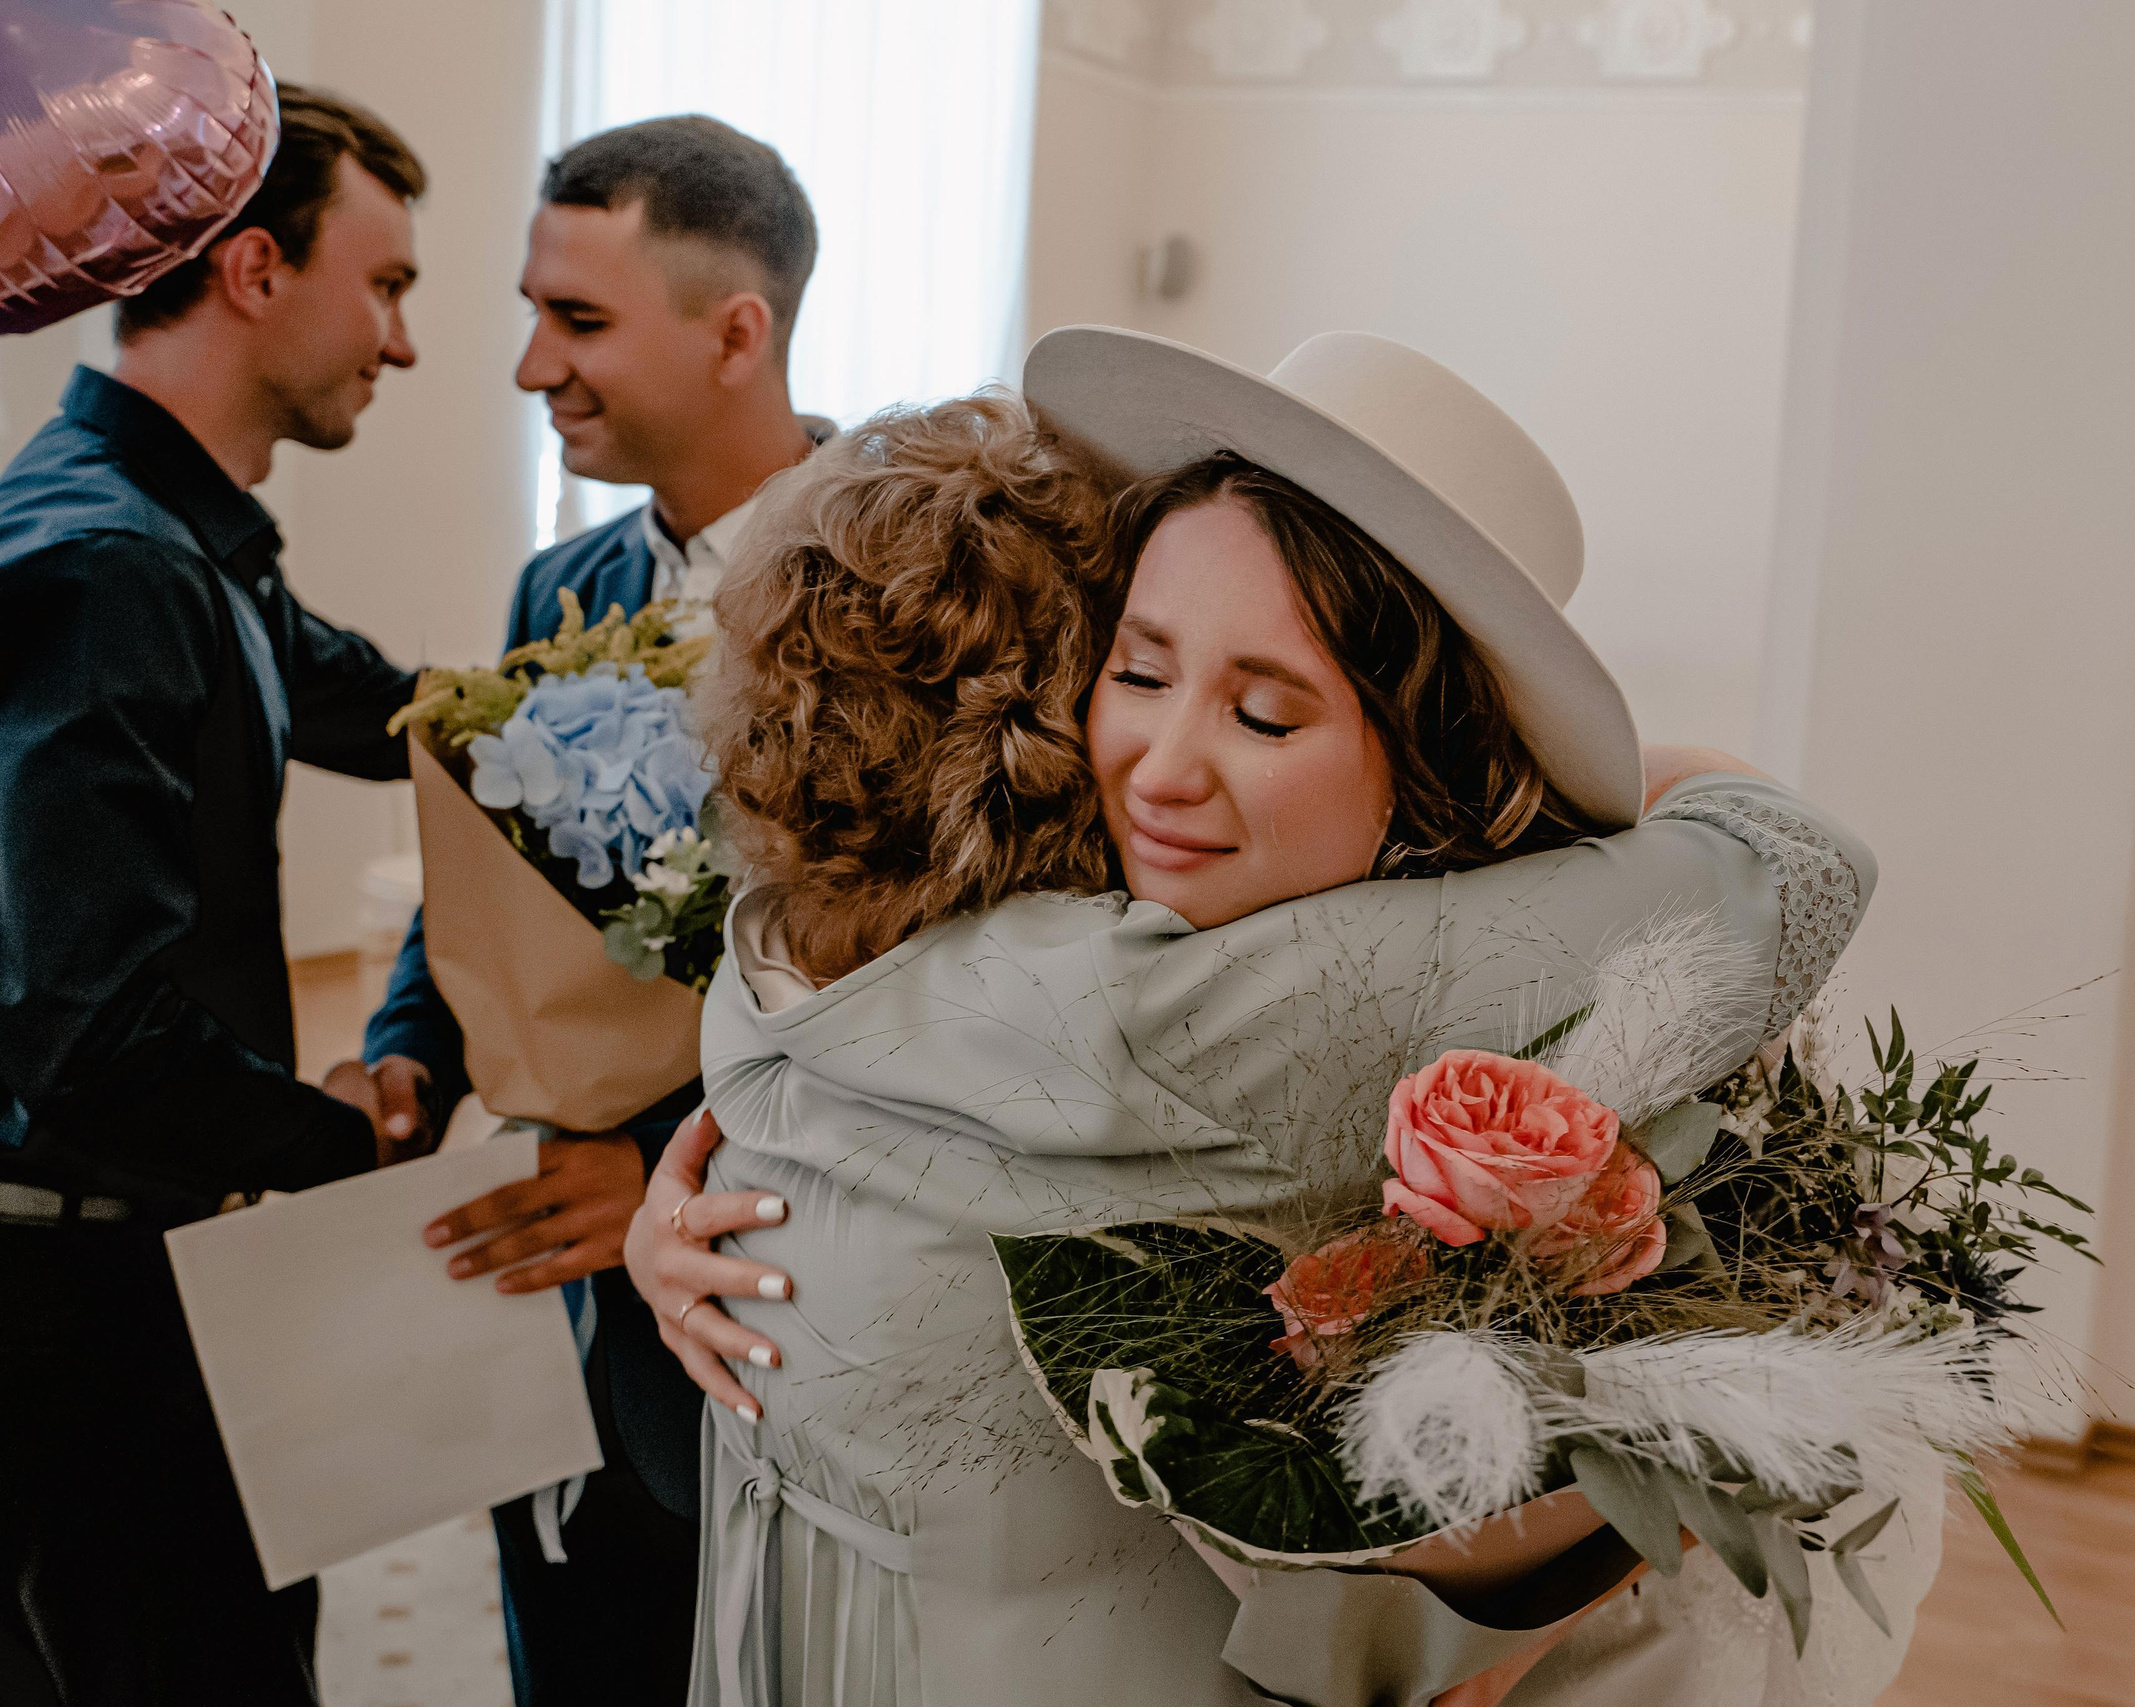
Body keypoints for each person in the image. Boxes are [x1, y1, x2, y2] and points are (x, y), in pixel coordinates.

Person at [630, 328, 1934, 1705]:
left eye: (1263, 710)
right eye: (1135, 673)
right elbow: (1781, 863)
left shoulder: (799, 939)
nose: (1162, 771)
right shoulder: (1178, 997)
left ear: (1427, 759)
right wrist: (1600, 789)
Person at [358, 114, 827, 1707]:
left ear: (735, 333)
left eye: (580, 321)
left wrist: (657, 1158)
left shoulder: (904, 589)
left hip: (768, 1275)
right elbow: (480, 888)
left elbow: (923, 977)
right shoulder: (555, 597)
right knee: (574, 1635)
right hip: (551, 1274)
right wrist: (410, 1047)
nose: (527, 367)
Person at [0, 86, 428, 1707]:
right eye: (384, 286)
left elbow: (372, 703)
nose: (401, 344)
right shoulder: (111, 564)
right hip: (77, 1297)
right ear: (254, 269)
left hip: (141, 1249)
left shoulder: (183, 532)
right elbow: (79, 1030)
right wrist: (339, 1143)